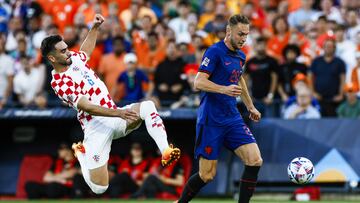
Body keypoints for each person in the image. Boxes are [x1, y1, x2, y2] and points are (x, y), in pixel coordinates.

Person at [40, 14, 180, 195]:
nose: (68, 52)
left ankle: (165, 150)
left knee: (147, 106)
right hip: (95, 126)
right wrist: (118, 114)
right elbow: (86, 106)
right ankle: (81, 154)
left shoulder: (73, 58)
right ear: (52, 58)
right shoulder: (58, 82)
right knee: (100, 188)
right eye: (63, 51)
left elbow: (85, 52)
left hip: (115, 115)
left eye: (67, 48)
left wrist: (95, 27)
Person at [176, 14, 262, 203]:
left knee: (255, 160)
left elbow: (239, 78)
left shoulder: (241, 56)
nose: (243, 39)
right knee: (206, 175)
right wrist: (224, 89)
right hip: (211, 119)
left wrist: (250, 106)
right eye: (240, 34)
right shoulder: (214, 52)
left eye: (246, 35)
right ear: (228, 31)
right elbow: (198, 82)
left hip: (232, 117)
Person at [309, 39, 346, 117]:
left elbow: (343, 79)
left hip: (334, 99)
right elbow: (310, 78)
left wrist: (341, 94)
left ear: (334, 48)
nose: (328, 48)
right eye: (326, 46)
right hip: (319, 97)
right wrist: (313, 93)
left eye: (330, 46)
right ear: (323, 48)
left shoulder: (340, 62)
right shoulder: (316, 61)